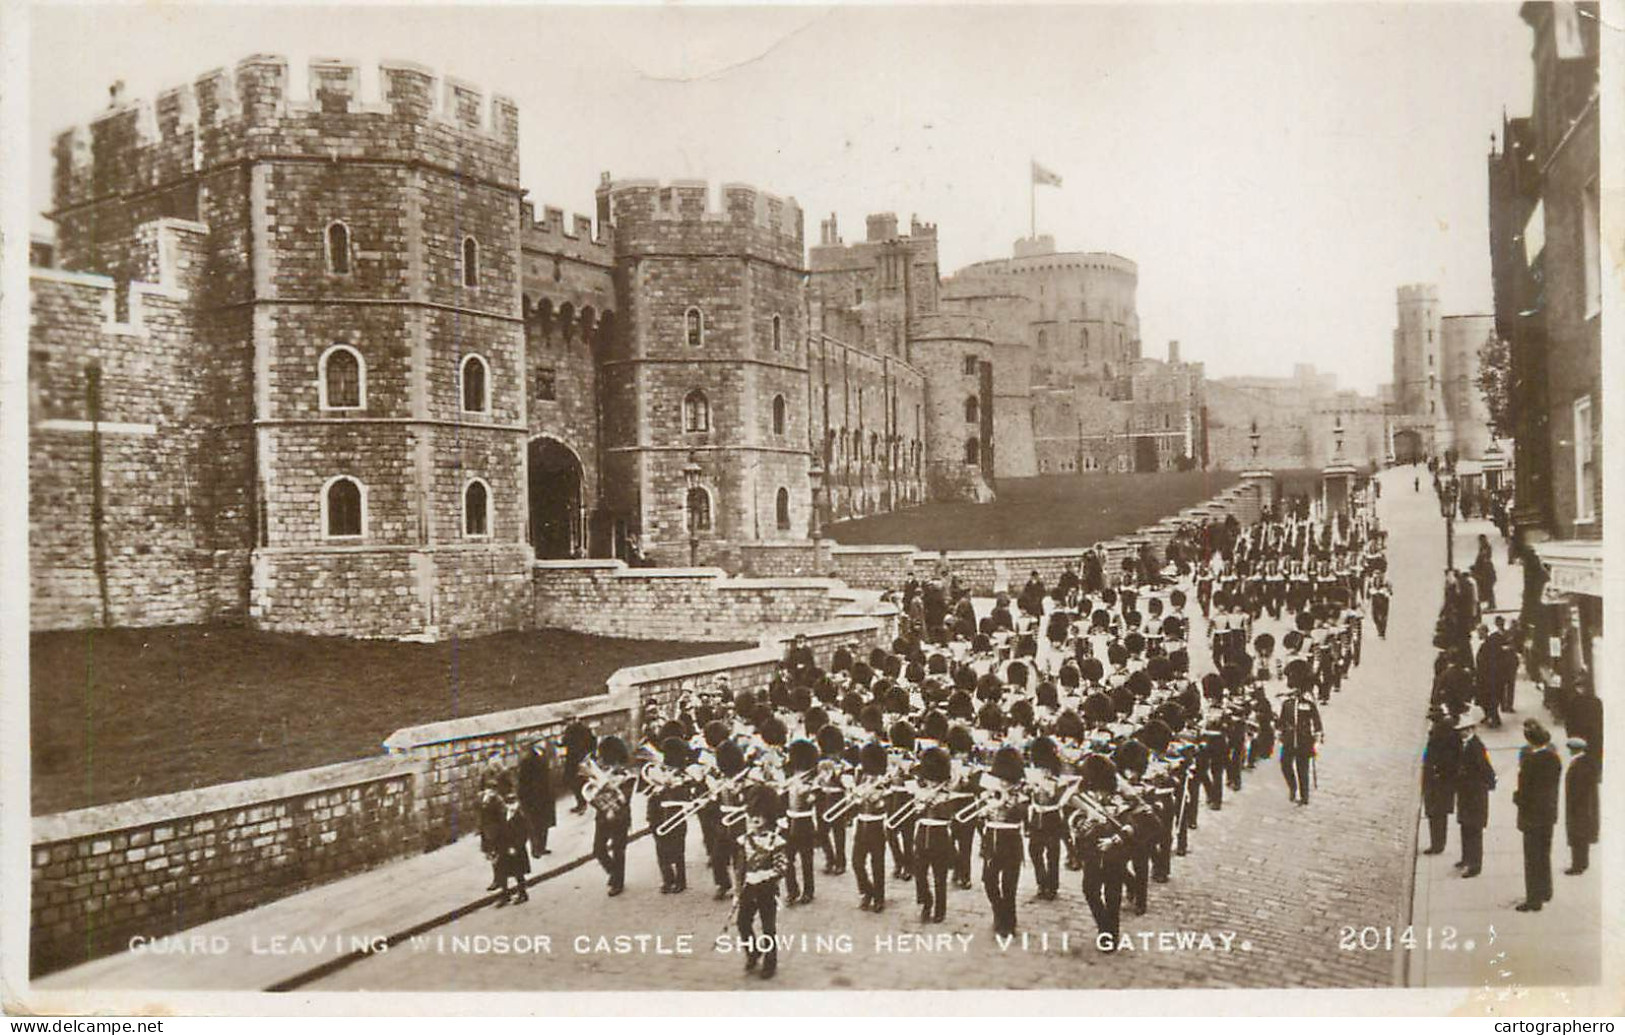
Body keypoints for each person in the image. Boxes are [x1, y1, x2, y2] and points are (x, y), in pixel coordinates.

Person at [734, 785, 789, 979]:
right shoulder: (744, 840)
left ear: (769, 817)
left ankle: (770, 963)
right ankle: (753, 952)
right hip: (749, 887)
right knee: (742, 923)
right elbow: (739, 868)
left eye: (760, 815)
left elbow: (782, 867)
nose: (755, 819)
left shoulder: (776, 841)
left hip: (766, 888)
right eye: (752, 815)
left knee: (768, 927)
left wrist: (768, 876)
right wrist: (737, 891)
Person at [1513, 719, 1562, 912]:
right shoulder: (1554, 758)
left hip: (1532, 816)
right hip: (1548, 814)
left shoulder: (1530, 762)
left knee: (1532, 858)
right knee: (1544, 853)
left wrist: (1516, 798)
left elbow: (1524, 793)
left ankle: (1533, 900)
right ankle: (1545, 890)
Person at [1453, 709, 1494, 878]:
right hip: (1466, 794)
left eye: (1463, 730)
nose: (1461, 733)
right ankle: (1466, 858)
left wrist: (1486, 785)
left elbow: (1486, 770)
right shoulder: (1465, 744)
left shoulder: (1477, 747)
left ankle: (1475, 864)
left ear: (1470, 730)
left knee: (1474, 829)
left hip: (1475, 795)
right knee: (1465, 826)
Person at [1278, 660, 1324, 805]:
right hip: (1289, 739)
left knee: (1302, 769)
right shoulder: (1288, 701)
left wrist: (1317, 736)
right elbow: (1282, 719)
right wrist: (1279, 731)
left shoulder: (1308, 701)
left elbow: (1316, 721)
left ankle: (1304, 796)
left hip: (1304, 740)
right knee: (1285, 764)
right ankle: (1293, 787)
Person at [1420, 707, 1460, 856]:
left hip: (1439, 781)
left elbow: (1446, 759)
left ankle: (1437, 844)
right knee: (1436, 812)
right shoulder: (1443, 730)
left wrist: (1437, 771)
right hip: (1437, 779)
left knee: (1436, 813)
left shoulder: (1443, 733)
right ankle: (1437, 842)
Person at [515, 738, 557, 858]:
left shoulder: (543, 755)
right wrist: (525, 798)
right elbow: (523, 782)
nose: (543, 743)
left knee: (544, 823)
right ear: (534, 745)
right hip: (533, 797)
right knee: (535, 824)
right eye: (540, 741)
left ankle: (543, 847)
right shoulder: (528, 760)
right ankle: (536, 849)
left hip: (545, 795)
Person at [1563, 737, 1599, 876]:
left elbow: (1577, 789)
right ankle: (1583, 862)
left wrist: (1573, 804)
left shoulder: (1578, 765)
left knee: (1577, 835)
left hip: (1579, 807)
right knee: (1583, 835)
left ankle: (1577, 865)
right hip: (1586, 806)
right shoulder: (1587, 762)